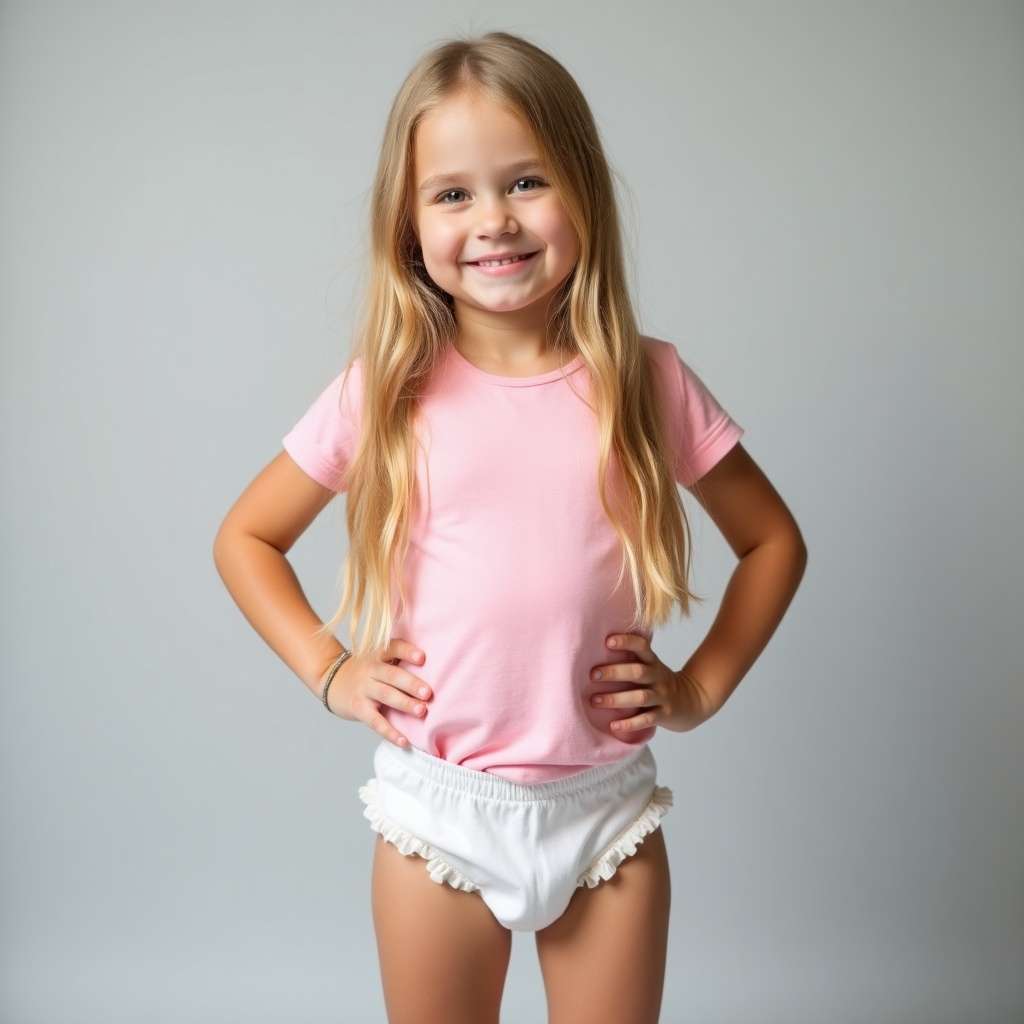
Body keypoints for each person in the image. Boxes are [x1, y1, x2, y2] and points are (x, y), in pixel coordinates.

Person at [214, 31, 806, 1024]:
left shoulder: (646, 380)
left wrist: (698, 686)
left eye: (525, 180)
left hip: (605, 810)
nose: (494, 220)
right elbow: (247, 537)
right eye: (452, 193)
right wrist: (330, 669)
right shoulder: (388, 390)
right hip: (436, 815)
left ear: (582, 188)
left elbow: (772, 540)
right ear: (407, 224)